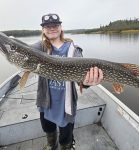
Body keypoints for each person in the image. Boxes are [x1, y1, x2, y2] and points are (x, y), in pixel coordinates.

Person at [32, 13, 103, 150]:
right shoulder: (40, 48)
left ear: (60, 28)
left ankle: (66, 146)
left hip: (65, 105)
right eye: (47, 26)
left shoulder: (74, 50)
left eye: (55, 25)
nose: (51, 28)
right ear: (43, 30)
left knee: (66, 135)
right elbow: (24, 49)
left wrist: (88, 82)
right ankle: (51, 145)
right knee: (48, 127)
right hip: (45, 102)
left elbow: (81, 82)